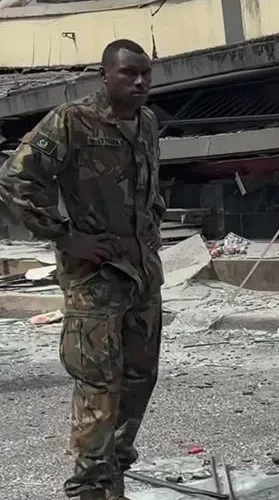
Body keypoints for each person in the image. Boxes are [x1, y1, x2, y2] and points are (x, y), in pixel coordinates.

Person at [0, 39, 164, 500]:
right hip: (95, 278)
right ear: (105, 75)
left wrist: (154, 221)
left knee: (139, 377)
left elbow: (150, 182)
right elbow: (13, 181)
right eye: (129, 73)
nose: (139, 82)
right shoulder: (72, 121)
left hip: (142, 272)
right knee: (98, 383)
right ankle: (90, 486)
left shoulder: (147, 123)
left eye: (146, 73)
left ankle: (114, 473)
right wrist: (65, 236)